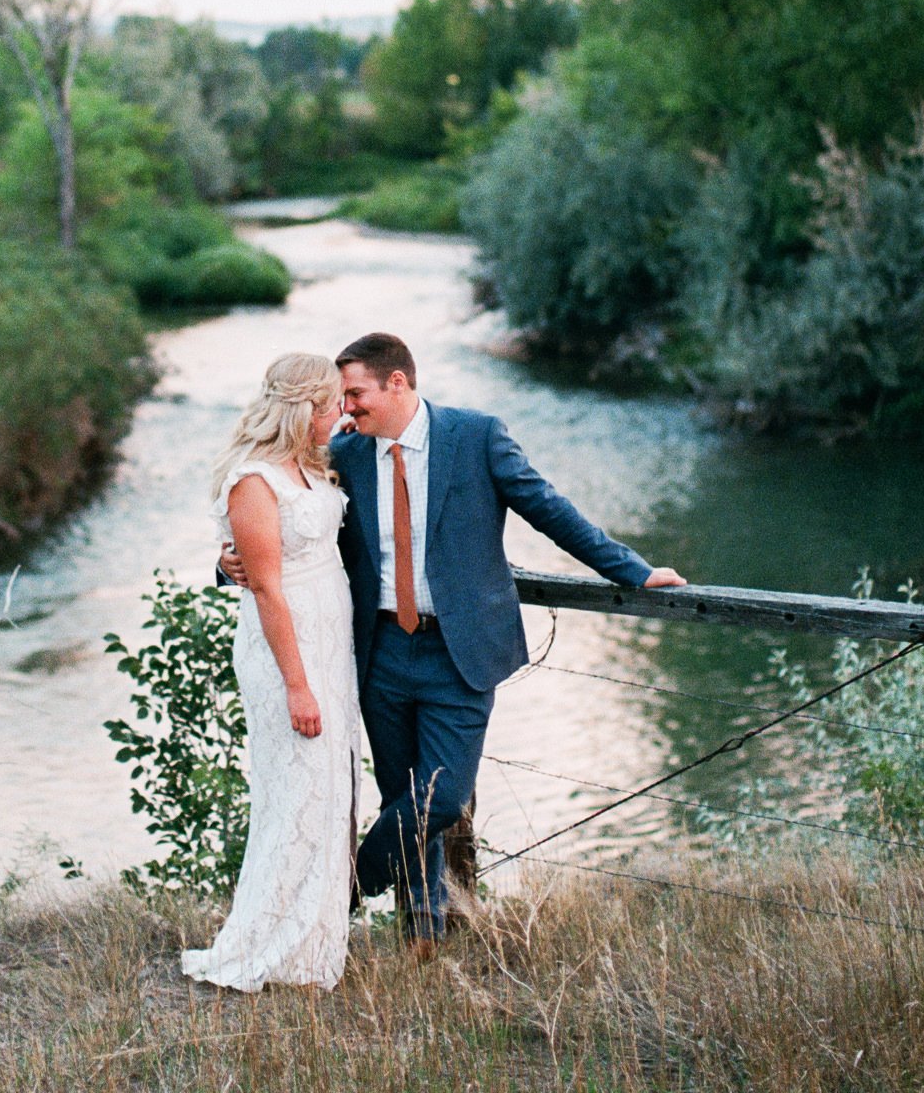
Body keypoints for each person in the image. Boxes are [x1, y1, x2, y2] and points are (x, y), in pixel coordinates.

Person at [225, 331, 687, 955]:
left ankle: (344, 887)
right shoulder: (346, 454)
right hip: (377, 650)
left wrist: (630, 570)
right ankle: (423, 931)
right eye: (339, 398)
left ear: (398, 382)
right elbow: (280, 524)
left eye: (354, 393)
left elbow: (549, 509)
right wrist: (227, 563)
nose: (346, 408)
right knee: (401, 796)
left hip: (459, 650)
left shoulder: (476, 436)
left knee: (438, 797)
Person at [181, 352, 359, 993]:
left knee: (328, 791)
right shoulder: (254, 479)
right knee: (295, 793)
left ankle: (311, 947)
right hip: (289, 651)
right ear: (305, 408)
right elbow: (266, 588)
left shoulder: (312, 466)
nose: (342, 412)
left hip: (331, 643)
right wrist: (298, 684)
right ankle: (272, 945)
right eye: (333, 402)